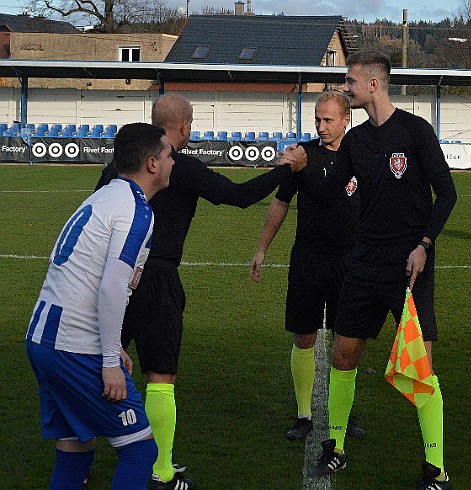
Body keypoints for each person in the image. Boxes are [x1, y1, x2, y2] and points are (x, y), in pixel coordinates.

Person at [95, 93, 306, 490]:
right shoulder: (182, 167)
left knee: (101, 365)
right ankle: (161, 471)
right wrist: (284, 169)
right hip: (156, 278)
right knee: (160, 375)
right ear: (185, 127)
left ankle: (81, 458)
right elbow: (240, 196)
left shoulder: (116, 169)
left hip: (112, 278)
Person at [284, 51, 457, 490]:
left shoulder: (417, 132)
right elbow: (327, 187)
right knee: (343, 355)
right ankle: (335, 447)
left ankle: (435, 470)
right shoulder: (357, 141)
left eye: (350, 81)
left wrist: (423, 244)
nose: (346, 87)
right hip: (364, 264)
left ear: (374, 84)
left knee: (421, 368)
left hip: (410, 267)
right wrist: (298, 167)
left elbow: (448, 195)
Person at [26, 123, 174, 489]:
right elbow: (111, 288)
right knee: (140, 452)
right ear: (153, 164)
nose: (174, 161)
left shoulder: (105, 196)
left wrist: (114, 346)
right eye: (169, 154)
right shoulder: (136, 211)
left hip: (43, 339)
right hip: (73, 346)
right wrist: (108, 359)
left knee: (76, 447)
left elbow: (83, 277)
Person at [248, 91, 365, 441]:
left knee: (349, 340)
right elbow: (280, 204)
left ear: (346, 120)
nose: (321, 126)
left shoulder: (359, 155)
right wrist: (262, 249)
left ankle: (344, 412)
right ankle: (304, 414)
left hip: (350, 261)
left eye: (328, 119)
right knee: (305, 335)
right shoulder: (303, 154)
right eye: (317, 119)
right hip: (309, 259)